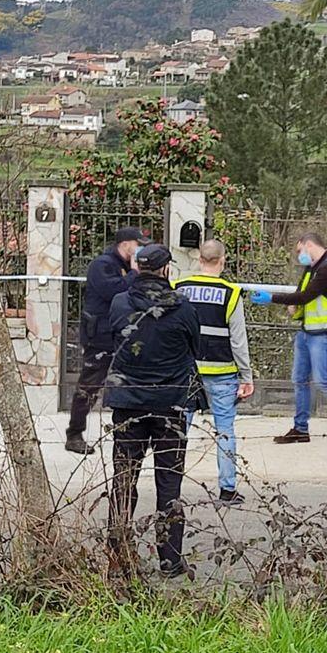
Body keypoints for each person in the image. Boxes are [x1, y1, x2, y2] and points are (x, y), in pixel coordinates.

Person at [104, 243, 200, 578]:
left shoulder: (119, 303)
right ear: (166, 270)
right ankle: (170, 560)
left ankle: (118, 557)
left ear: (137, 269)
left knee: (123, 479)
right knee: (169, 485)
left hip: (127, 402)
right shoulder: (185, 307)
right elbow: (194, 347)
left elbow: (110, 340)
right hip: (170, 405)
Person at [248, 233, 327, 446]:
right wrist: (293, 305)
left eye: (299, 251)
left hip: (323, 333)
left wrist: (272, 298)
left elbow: (306, 296)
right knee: (299, 380)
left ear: (309, 245)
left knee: (323, 380)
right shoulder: (314, 267)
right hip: (308, 331)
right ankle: (300, 429)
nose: (299, 256)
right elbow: (302, 291)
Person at [175, 240, 255, 506]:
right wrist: (246, 376)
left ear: (199, 259)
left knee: (178, 430)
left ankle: (171, 487)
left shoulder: (179, 289)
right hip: (222, 373)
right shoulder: (231, 293)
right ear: (222, 260)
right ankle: (227, 489)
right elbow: (238, 340)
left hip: (187, 373)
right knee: (225, 430)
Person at [66, 226, 151, 455]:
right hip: (100, 338)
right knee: (90, 385)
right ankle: (74, 434)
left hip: (118, 335)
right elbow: (114, 292)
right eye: (137, 243)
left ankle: (132, 432)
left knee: (127, 383)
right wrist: (134, 273)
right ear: (125, 244)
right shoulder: (102, 265)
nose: (140, 248)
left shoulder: (122, 266)